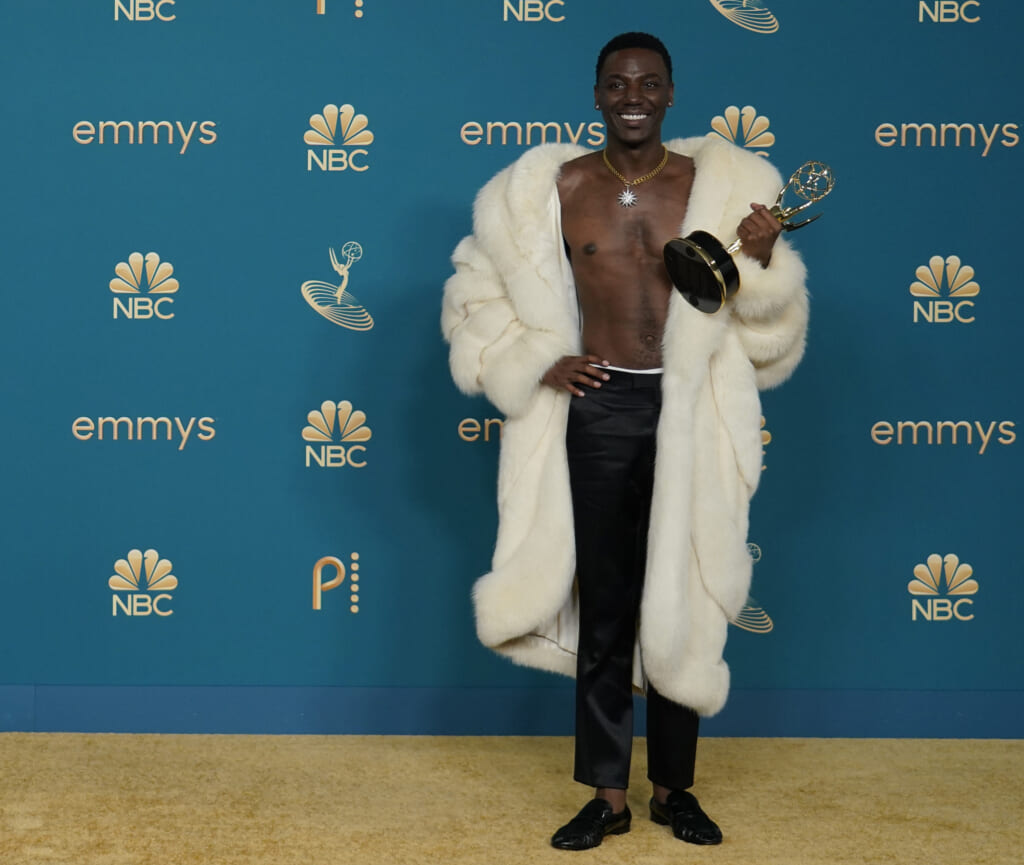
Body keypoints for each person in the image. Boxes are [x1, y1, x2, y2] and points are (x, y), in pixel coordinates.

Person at [442, 32, 808, 850]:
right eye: (617, 83)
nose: (633, 96)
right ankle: (607, 793)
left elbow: (769, 334)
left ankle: (675, 788)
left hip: (691, 406)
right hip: (599, 405)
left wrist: (762, 259)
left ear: (672, 94)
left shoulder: (717, 189)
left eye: (648, 82)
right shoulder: (554, 187)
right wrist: (535, 360)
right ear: (597, 95)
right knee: (606, 601)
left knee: (681, 594)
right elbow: (477, 290)